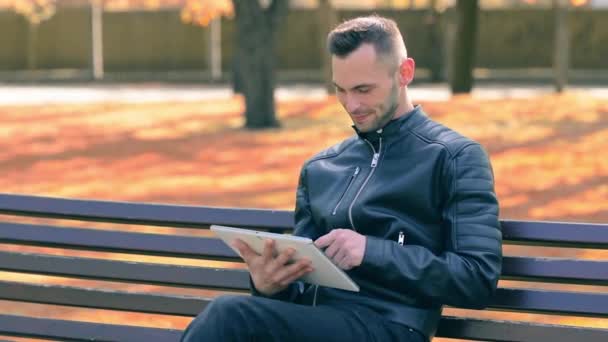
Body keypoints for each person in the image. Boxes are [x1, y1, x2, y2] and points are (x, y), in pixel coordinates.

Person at [181, 15, 502, 342]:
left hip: (391, 326)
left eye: (364, 89)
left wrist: (371, 251)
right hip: (320, 323)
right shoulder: (321, 168)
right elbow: (302, 286)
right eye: (341, 90)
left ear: (404, 73)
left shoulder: (453, 157)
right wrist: (270, 286)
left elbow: (475, 279)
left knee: (229, 315)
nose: (352, 105)